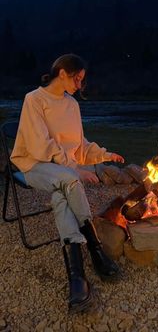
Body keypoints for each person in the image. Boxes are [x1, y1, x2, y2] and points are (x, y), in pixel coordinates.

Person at [10, 53, 125, 311]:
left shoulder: (72, 105)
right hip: (34, 164)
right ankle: (95, 249)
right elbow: (41, 145)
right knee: (70, 180)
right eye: (77, 79)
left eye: (82, 80)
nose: (79, 85)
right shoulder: (34, 100)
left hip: (61, 172)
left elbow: (79, 146)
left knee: (63, 192)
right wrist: (74, 169)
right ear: (62, 73)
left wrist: (104, 155)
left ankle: (76, 276)